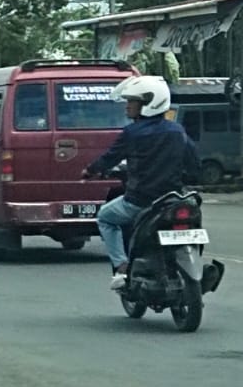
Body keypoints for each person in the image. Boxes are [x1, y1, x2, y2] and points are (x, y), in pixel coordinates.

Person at [82, 75, 198, 290]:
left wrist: (90, 170)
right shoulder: (177, 131)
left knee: (106, 218)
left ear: (148, 103)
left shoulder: (132, 133)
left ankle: (121, 265)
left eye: (132, 101)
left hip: (139, 202)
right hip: (173, 201)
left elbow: (110, 158)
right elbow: (194, 164)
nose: (127, 106)